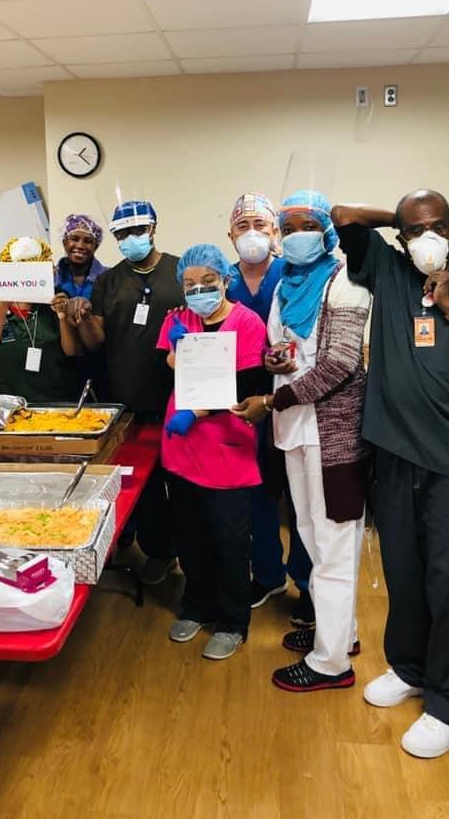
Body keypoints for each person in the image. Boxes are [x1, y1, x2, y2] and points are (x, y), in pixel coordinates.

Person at [332, 190, 449, 757]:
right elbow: (343, 217)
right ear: (401, 238)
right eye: (416, 231)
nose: (428, 238)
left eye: (438, 227)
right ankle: (411, 668)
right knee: (405, 574)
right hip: (394, 453)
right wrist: (402, 223)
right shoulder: (389, 271)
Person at [233, 191, 370, 692]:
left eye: (306, 226)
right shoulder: (288, 284)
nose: (295, 237)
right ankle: (340, 634)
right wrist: (276, 360)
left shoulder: (346, 283)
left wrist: (272, 400)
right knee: (311, 535)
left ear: (327, 232)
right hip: (294, 430)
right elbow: (285, 347)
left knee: (334, 546)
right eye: (287, 229)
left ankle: (331, 664)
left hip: (333, 437)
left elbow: (339, 365)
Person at [158, 244, 267, 660]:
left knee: (230, 542)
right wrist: (175, 355)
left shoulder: (247, 323)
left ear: (226, 280)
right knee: (190, 537)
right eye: (190, 285)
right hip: (182, 450)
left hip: (226, 450)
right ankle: (196, 606)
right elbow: (168, 366)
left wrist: (197, 411)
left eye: (208, 282)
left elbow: (245, 387)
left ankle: (233, 621)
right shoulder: (178, 319)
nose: (199, 291)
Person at [70, 200, 182, 584]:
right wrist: (82, 317)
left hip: (177, 398)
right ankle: (159, 551)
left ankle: (189, 551)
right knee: (144, 486)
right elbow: (96, 340)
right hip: (127, 399)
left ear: (153, 229)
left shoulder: (180, 272)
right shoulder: (109, 281)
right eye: (122, 234)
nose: (130, 239)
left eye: (137, 231)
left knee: (181, 483)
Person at [227, 192, 314, 622]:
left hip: (292, 398)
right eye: (242, 226)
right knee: (255, 494)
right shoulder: (222, 280)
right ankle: (267, 574)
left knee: (301, 498)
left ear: (275, 232)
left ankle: (308, 584)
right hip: (242, 404)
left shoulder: (293, 275)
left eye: (260, 225)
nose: (252, 234)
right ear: (230, 235)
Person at [0, 237, 80, 401]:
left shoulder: (57, 299)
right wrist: (4, 300)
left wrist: (63, 317)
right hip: (6, 402)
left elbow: (72, 351)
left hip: (54, 401)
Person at [55, 213, 109, 397]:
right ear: (64, 242)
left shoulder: (109, 279)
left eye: (88, 241)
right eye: (74, 239)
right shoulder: (50, 278)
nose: (80, 245)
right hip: (59, 365)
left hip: (102, 363)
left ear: (96, 245)